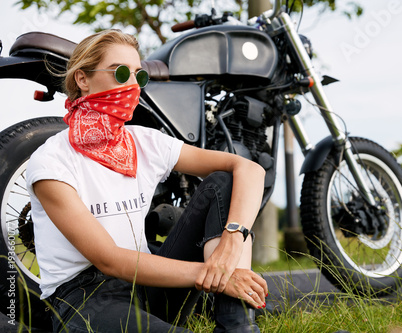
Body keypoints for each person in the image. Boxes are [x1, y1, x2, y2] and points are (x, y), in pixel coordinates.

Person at [26, 29, 268, 332]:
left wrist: (233, 241)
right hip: (84, 297)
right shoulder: (51, 162)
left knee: (224, 181)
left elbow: (247, 169)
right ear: (83, 79)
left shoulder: (143, 142)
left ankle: (237, 326)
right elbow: (110, 260)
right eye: (121, 73)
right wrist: (214, 272)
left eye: (138, 76)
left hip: (146, 283)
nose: (131, 86)